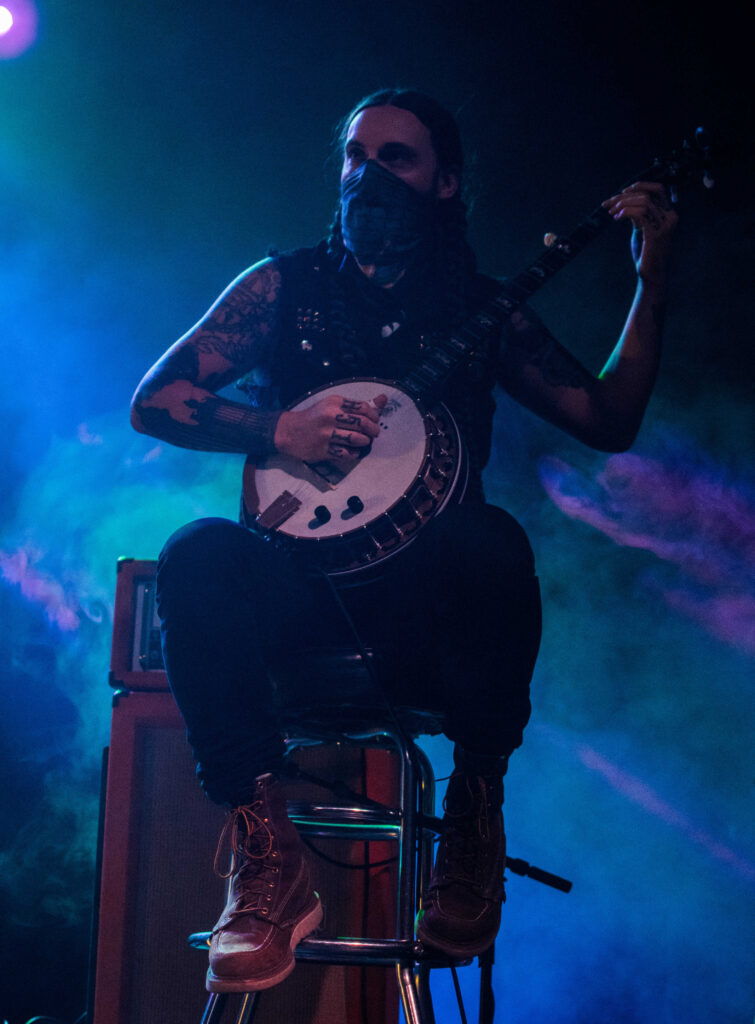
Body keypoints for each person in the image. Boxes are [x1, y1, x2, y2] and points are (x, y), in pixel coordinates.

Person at [130, 88, 676, 993]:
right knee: (195, 553)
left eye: (398, 158)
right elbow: (154, 399)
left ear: (445, 184)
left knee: (489, 540)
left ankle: (473, 813)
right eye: (356, 155)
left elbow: (609, 418)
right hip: (298, 610)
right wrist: (278, 432)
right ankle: (268, 858)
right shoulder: (280, 286)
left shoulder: (482, 310)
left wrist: (651, 279)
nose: (368, 175)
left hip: (425, 631)